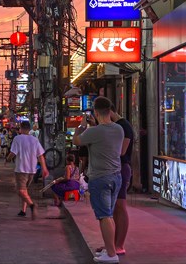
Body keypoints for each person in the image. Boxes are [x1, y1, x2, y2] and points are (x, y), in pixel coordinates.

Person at [74, 96, 124, 264]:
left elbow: (76, 141)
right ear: (110, 111)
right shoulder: (119, 129)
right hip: (116, 177)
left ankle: (111, 254)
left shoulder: (92, 132)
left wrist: (81, 126)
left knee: (105, 216)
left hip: (100, 179)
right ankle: (109, 248)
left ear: (95, 112)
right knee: (108, 215)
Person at [5, 120, 49, 219]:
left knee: (20, 190)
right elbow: (41, 156)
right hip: (32, 170)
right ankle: (23, 210)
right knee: (25, 190)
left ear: (21, 128)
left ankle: (32, 205)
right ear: (29, 129)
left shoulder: (17, 138)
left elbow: (13, 153)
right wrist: (44, 168)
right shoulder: (35, 140)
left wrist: (7, 159)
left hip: (21, 169)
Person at [109, 106, 134, 256]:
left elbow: (122, 151)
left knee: (120, 205)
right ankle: (112, 243)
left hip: (122, 167)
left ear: (110, 111)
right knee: (114, 208)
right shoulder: (118, 126)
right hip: (115, 168)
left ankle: (120, 245)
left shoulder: (124, 126)